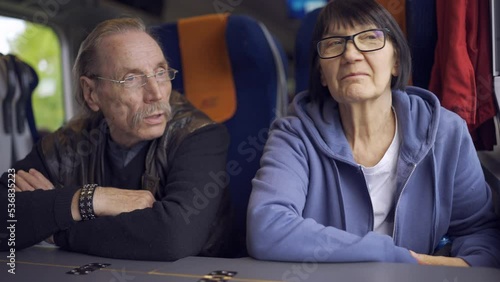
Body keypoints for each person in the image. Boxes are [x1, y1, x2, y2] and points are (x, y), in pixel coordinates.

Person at [247, 0, 500, 268]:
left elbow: (481, 234)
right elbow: (267, 227)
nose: (350, 54)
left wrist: (448, 268)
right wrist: (394, 256)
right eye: (334, 43)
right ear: (322, 74)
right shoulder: (293, 135)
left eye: (370, 38)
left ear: (396, 63)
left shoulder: (446, 133)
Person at [0, 17, 233, 261]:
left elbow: (173, 237)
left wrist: (56, 227)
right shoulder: (68, 144)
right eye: (132, 79)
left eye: (160, 72)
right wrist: (91, 199)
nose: (156, 94)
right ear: (92, 93)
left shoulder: (198, 134)